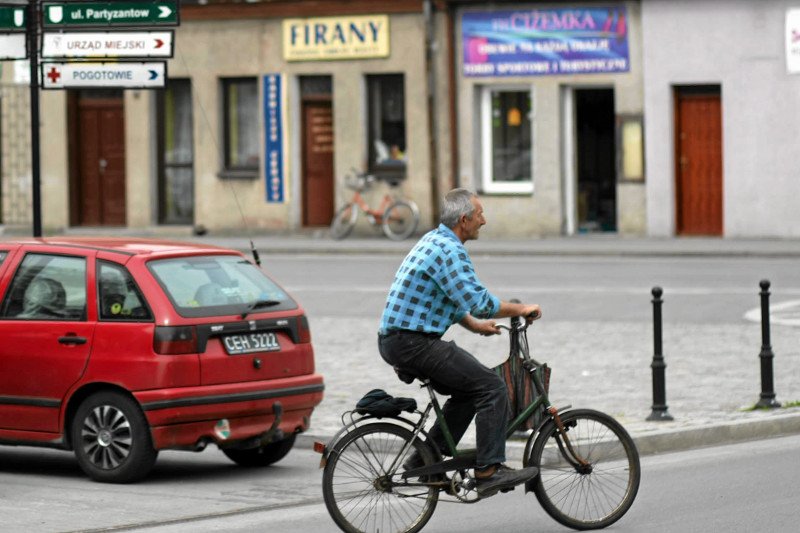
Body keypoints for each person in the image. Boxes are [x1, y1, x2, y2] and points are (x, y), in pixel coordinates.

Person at [377, 188, 542, 498]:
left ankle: (426, 460)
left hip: (399, 340)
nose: (484, 221)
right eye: (480, 215)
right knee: (491, 386)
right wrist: (520, 309)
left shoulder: (434, 240)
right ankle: (488, 470)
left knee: (468, 392)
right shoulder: (450, 251)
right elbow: (478, 301)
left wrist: (475, 326)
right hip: (412, 342)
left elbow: (451, 300)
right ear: (464, 219)